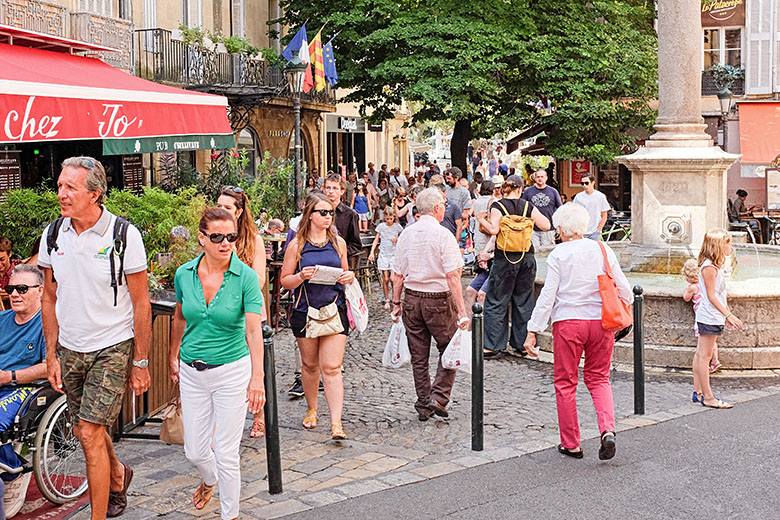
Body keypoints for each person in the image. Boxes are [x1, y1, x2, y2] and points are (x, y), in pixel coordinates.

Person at [38, 156, 151, 519]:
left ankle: (96, 516)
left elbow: (141, 303)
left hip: (112, 345)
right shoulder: (53, 234)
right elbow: (49, 296)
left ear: (95, 194)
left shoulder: (123, 235)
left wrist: (141, 362)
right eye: (60, 186)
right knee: (86, 427)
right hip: (71, 346)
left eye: (70, 187)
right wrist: (51, 354)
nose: (62, 194)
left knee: (87, 433)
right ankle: (116, 472)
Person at [169, 207, 265, 519]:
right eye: (217, 237)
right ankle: (209, 480)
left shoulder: (245, 277)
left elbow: (253, 330)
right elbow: (180, 316)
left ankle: (230, 514)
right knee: (194, 451)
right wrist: (173, 355)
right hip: (192, 370)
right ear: (202, 239)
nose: (226, 243)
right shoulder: (184, 273)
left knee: (226, 452)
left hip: (232, 371)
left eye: (232, 236)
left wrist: (257, 379)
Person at [523, 202, 631, 460]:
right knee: (599, 378)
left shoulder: (559, 254)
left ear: (560, 228)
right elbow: (625, 289)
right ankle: (607, 430)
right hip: (600, 323)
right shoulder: (602, 248)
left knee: (565, 382)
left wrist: (533, 329)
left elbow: (548, 295)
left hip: (569, 323)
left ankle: (571, 443)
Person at [280, 193, 355, 440]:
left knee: (332, 367)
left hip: (335, 309)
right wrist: (302, 276)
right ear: (309, 215)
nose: (327, 216)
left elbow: (346, 272)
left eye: (329, 212)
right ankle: (312, 409)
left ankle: (336, 423)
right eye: (322, 212)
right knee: (310, 366)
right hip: (306, 310)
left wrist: (349, 276)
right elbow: (285, 280)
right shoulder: (297, 245)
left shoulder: (338, 243)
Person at [391, 188, 468, 421]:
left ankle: (424, 403)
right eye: (443, 204)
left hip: (412, 298)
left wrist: (396, 302)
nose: (444, 207)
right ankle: (438, 397)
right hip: (438, 299)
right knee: (449, 347)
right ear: (437, 209)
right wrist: (462, 311)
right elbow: (453, 275)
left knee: (419, 354)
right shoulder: (444, 235)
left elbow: (397, 275)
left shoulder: (407, 234)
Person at [476, 174, 550, 359]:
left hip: (505, 258)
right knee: (524, 300)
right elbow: (546, 225)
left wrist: (480, 219)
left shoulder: (498, 206)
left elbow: (493, 230)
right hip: (526, 257)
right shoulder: (527, 206)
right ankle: (521, 345)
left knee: (496, 300)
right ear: (520, 189)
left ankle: (492, 346)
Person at [216, 186, 267, 439]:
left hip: (248, 312)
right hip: (221, 312)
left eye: (226, 207)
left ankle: (259, 417)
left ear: (238, 212)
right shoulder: (211, 237)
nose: (221, 211)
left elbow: (259, 281)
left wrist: (234, 260)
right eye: (218, 206)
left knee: (254, 366)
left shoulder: (253, 240)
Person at [0, 265, 48, 518]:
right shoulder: (2, 320)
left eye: (22, 289)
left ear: (40, 291)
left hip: (25, 388)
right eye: (10, 289)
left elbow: (50, 366)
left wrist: (10, 376)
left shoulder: (47, 324)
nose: (14, 295)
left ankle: (12, 468)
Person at [693, 229, 742, 409]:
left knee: (700, 354)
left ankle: (698, 392)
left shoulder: (711, 267)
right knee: (704, 356)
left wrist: (726, 313)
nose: (730, 246)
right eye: (727, 243)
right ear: (717, 246)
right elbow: (713, 297)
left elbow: (720, 295)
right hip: (709, 316)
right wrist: (728, 314)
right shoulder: (709, 268)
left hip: (711, 315)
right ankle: (708, 397)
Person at [682, 259, 721, 380]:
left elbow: (686, 298)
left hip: (701, 317)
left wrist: (686, 289)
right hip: (712, 315)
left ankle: (710, 362)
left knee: (704, 344)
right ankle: (715, 360)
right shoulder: (704, 285)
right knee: (712, 341)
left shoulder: (693, 288)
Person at [465, 181, 495, 319]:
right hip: (488, 240)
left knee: (480, 274)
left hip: (479, 241)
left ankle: (470, 328)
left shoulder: (476, 202)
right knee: (479, 290)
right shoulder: (493, 202)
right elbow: (493, 229)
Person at [368, 207, 403, 309]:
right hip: (384, 254)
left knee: (392, 278)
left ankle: (396, 297)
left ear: (394, 218)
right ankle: (387, 298)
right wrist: (371, 252)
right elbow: (376, 240)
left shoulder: (397, 227)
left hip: (393, 254)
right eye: (387, 219)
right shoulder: (381, 227)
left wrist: (397, 239)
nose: (388, 221)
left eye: (390, 219)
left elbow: (403, 237)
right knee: (386, 278)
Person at [522, 169, 563, 249]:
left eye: (542, 177)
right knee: (534, 253)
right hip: (532, 229)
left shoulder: (553, 192)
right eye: (538, 177)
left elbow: (560, 208)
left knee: (547, 254)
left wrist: (558, 225)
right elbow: (523, 208)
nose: (540, 178)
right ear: (535, 178)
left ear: (546, 178)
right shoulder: (528, 192)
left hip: (549, 230)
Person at [573, 173, 610, 240]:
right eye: (582, 183)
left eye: (586, 183)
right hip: (581, 232)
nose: (584, 185)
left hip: (595, 232)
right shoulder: (578, 197)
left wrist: (598, 230)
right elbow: (574, 214)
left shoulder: (600, 196)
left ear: (593, 183)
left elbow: (604, 215)